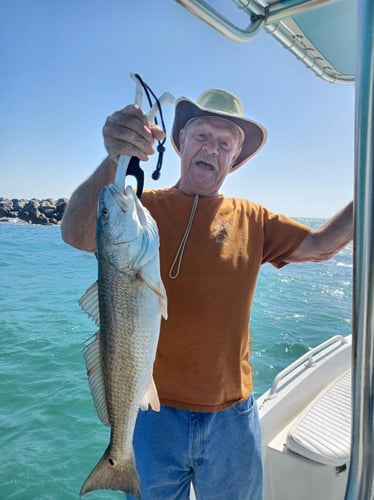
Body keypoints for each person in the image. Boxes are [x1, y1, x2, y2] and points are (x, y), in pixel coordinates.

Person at [61, 88, 353, 500]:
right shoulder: (141, 212)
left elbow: (322, 245)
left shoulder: (255, 219)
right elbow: (75, 232)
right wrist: (114, 157)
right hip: (152, 414)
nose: (211, 149)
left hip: (231, 417)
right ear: (181, 143)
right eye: (201, 136)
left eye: (224, 143)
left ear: (234, 158)